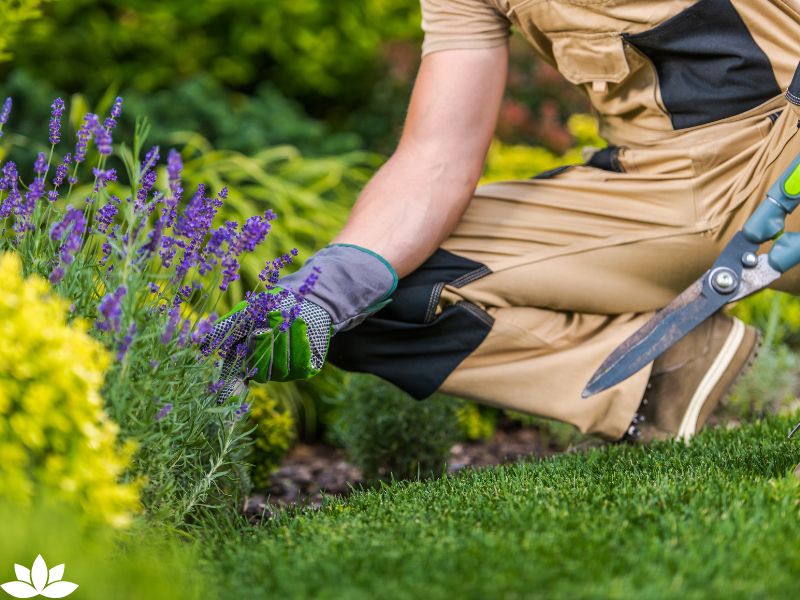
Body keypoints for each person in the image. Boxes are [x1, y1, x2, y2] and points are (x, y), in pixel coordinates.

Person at [212, 0, 800, 442]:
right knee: (386, 296)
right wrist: (332, 287)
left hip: (787, 137)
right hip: (660, 185)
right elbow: (434, 157)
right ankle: (664, 373)